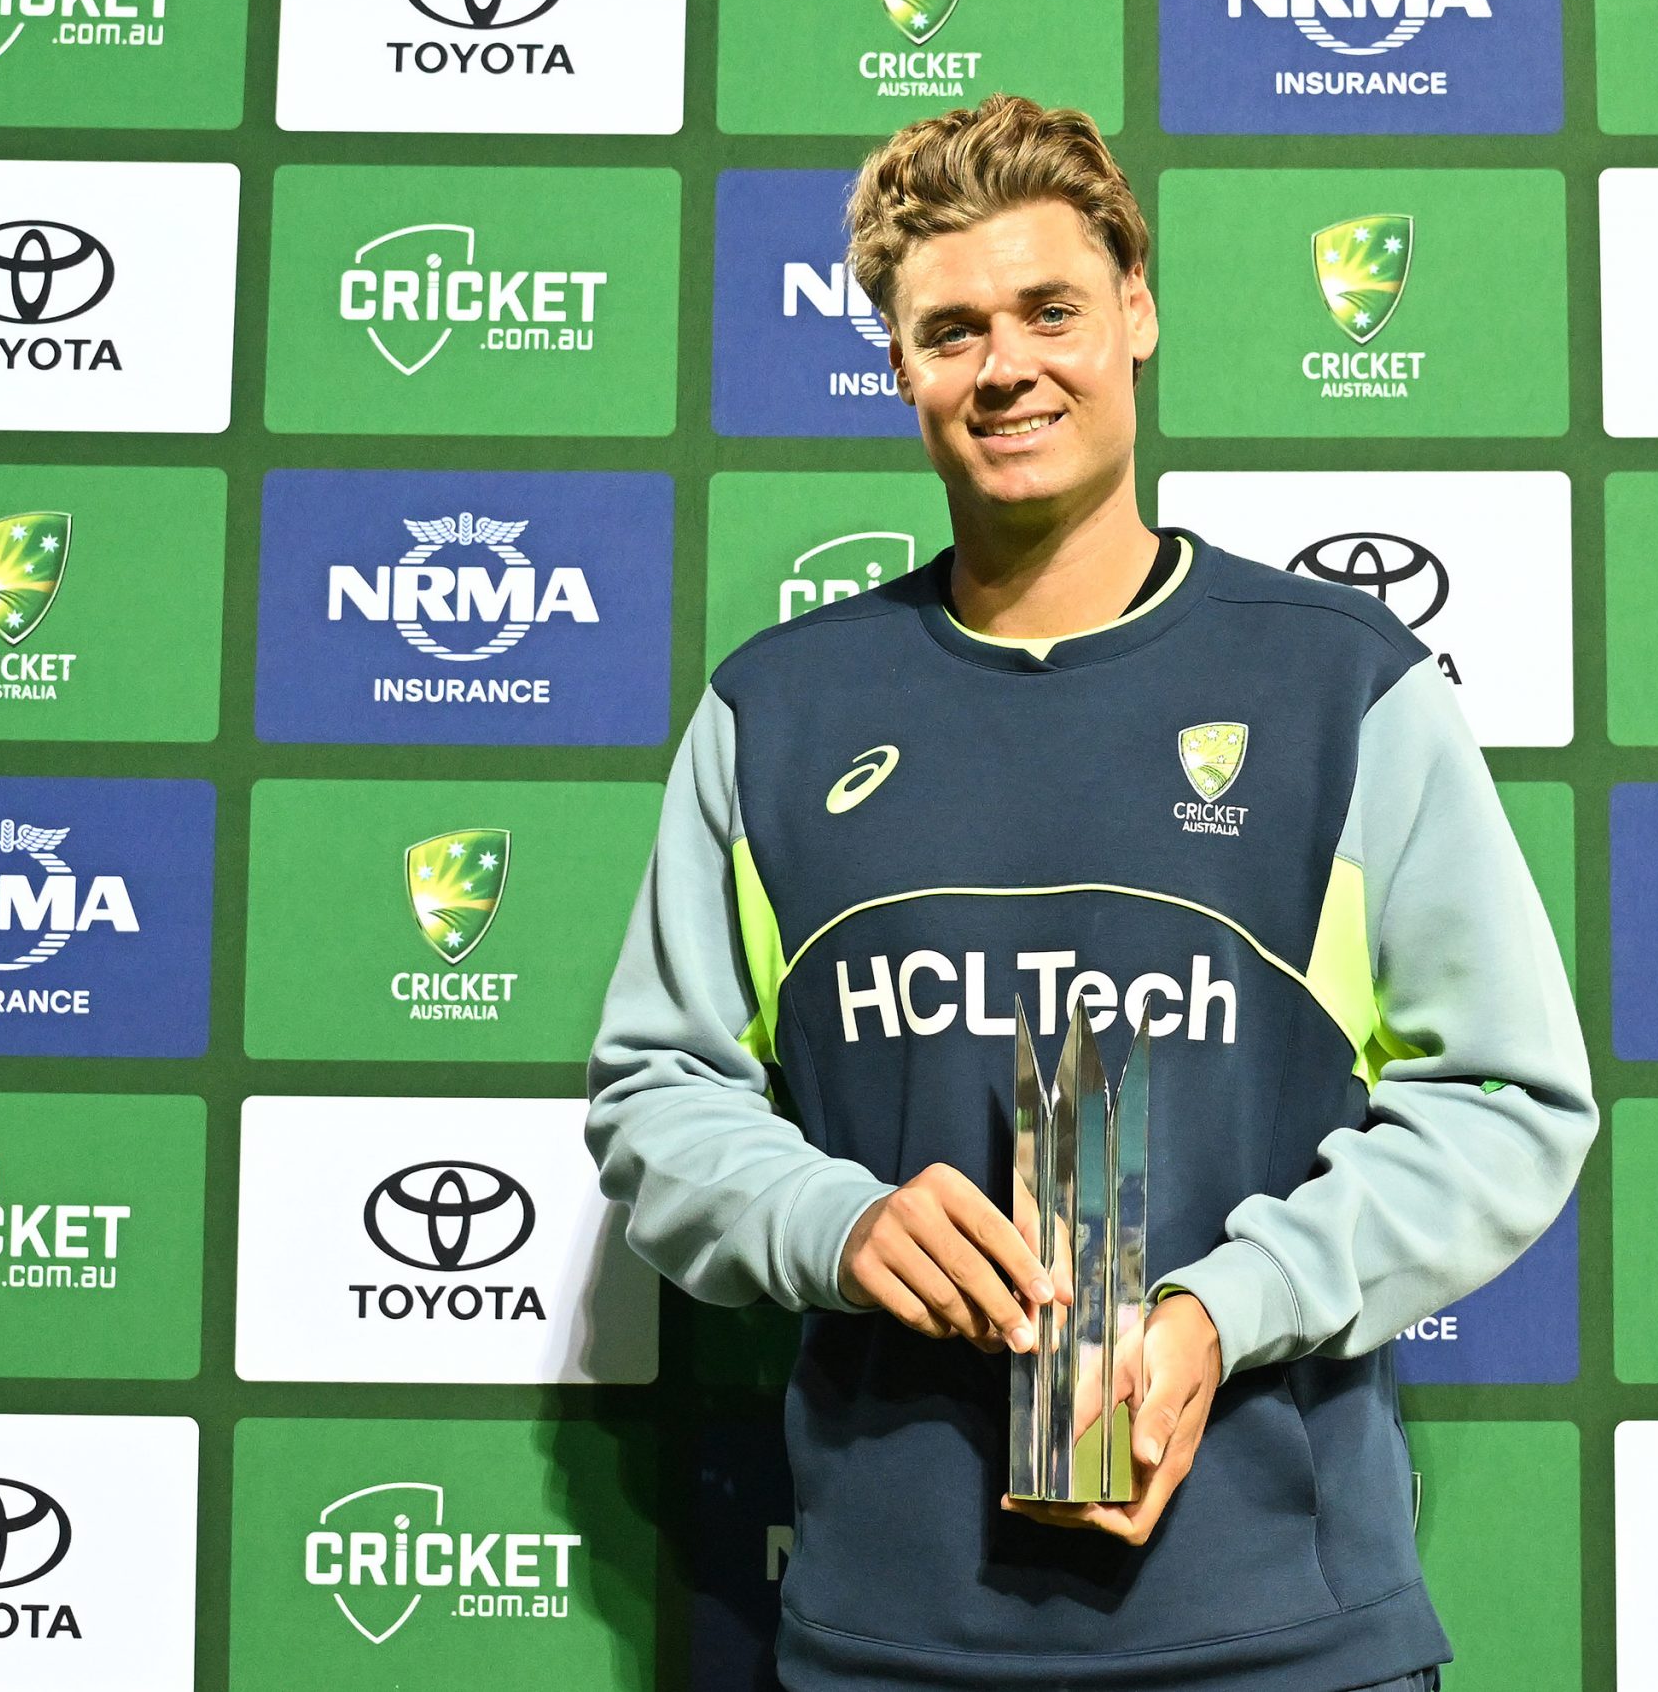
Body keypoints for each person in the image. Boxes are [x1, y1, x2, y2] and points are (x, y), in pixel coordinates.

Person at [585, 93, 1596, 1692]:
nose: (1007, 366)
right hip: (890, 1639)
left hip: (1281, 1639)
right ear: (900, 367)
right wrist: (835, 1223)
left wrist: (1218, 1309)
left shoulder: (1348, 692)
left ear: (1134, 308)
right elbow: (658, 1099)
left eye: (1050, 308)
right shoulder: (776, 715)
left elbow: (1511, 1101)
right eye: (951, 330)